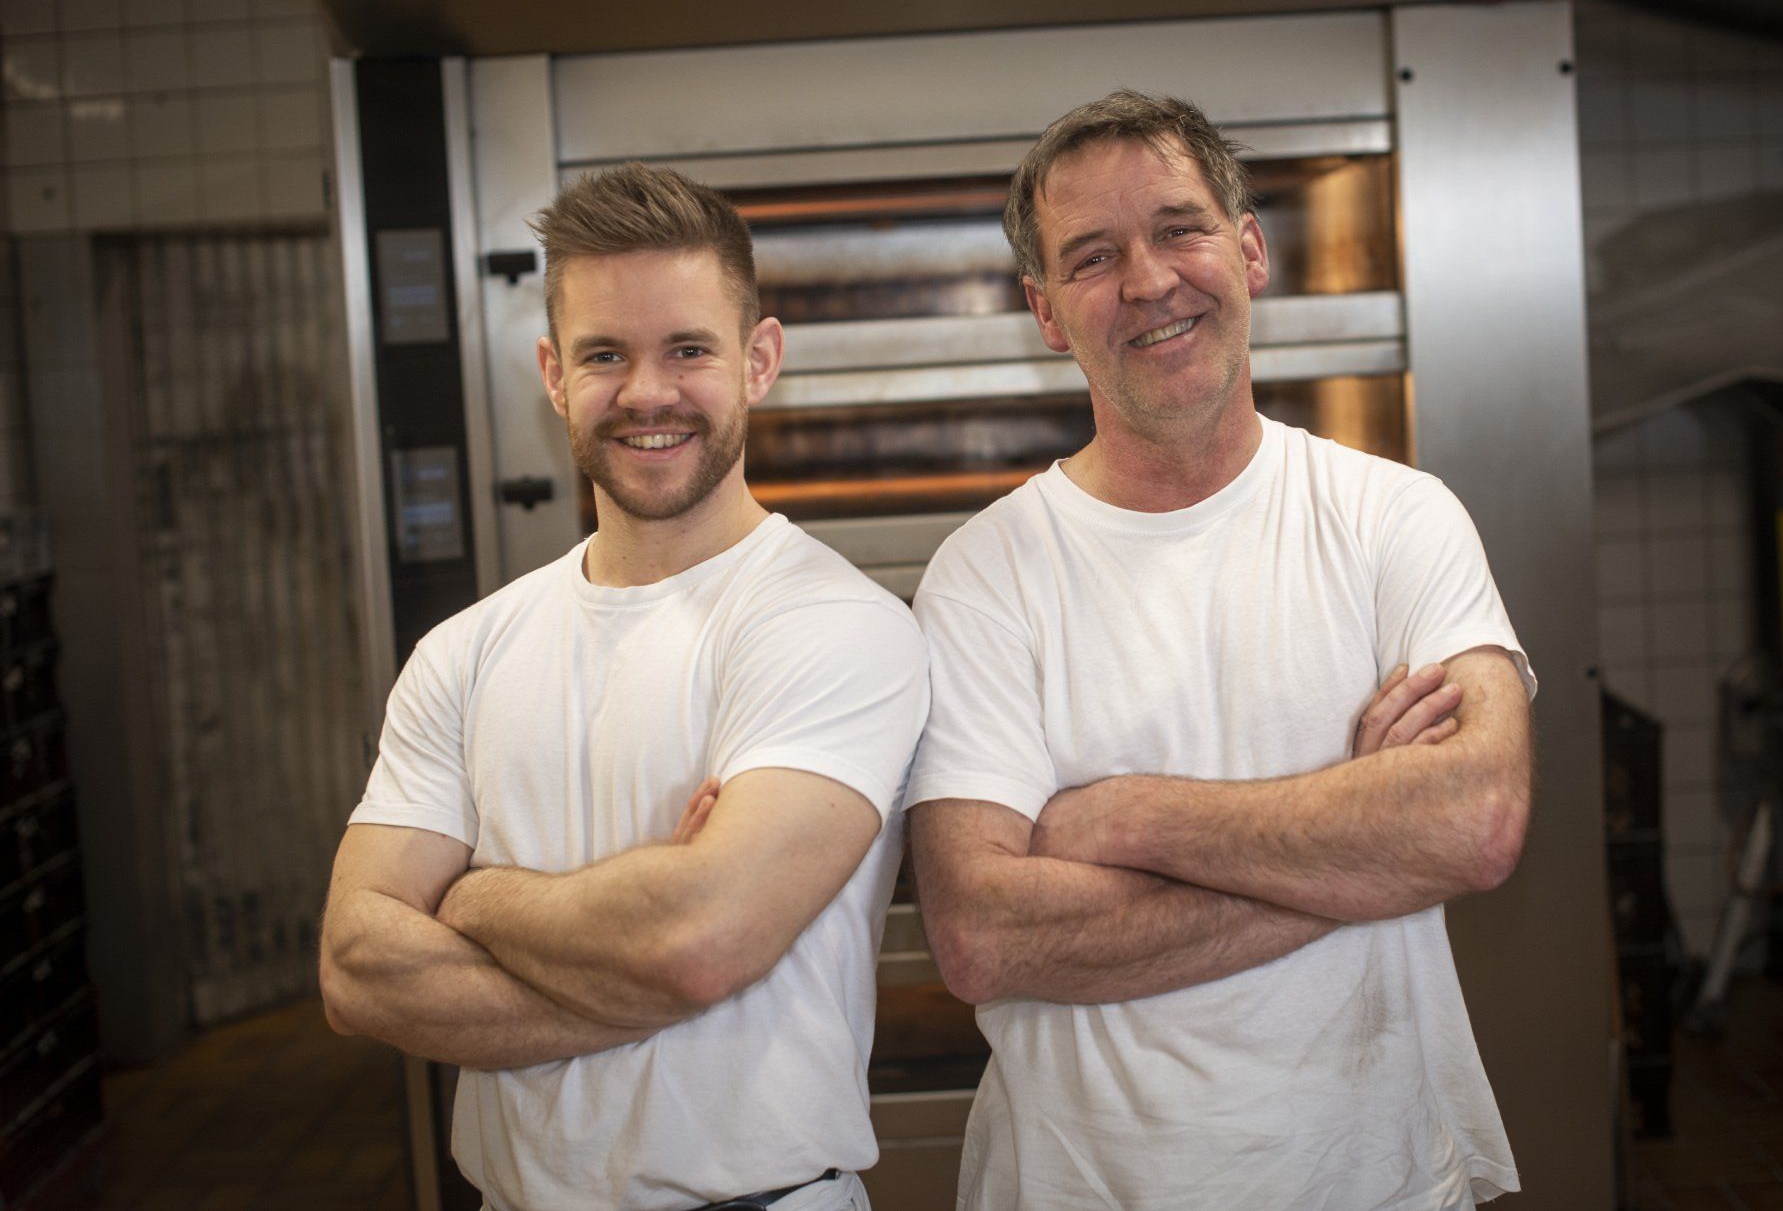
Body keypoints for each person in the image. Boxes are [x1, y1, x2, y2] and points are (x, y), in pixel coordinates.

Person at [907, 91, 1536, 1210]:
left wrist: (1132, 815)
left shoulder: (1395, 517)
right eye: (1093, 257)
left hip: (1380, 1179)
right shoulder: (985, 576)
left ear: (1248, 251)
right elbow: (984, 937)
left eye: (1178, 229)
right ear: (1046, 311)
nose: (1149, 281)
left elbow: (1474, 820)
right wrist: (1361, 845)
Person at [318, 162, 929, 1211]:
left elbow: (697, 942)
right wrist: (650, 962)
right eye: (606, 354)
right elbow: (354, 967)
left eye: (689, 348)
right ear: (554, 374)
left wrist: (472, 896)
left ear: (759, 360)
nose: (648, 392)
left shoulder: (836, 626)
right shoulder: (465, 652)